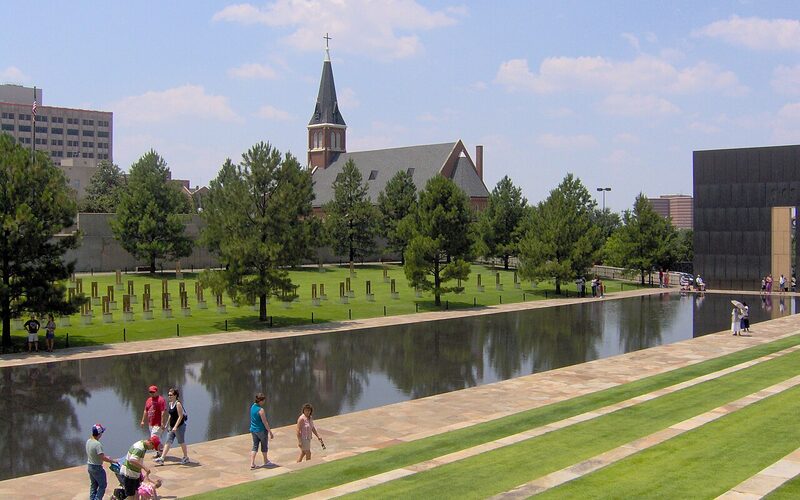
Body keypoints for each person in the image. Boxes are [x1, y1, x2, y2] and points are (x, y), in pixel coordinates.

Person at [155, 388, 189, 465]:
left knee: (181, 442)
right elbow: (170, 415)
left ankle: (186, 457)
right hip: (172, 427)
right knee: (168, 441)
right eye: (168, 395)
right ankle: (162, 458)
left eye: (171, 395)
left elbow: (180, 416)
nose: (169, 396)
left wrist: (176, 427)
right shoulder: (170, 404)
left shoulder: (178, 404)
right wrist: (167, 424)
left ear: (175, 395)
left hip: (179, 426)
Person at [119, 435, 159, 500]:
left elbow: (137, 460)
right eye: (153, 447)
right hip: (129, 475)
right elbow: (132, 460)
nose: (152, 449)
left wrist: (140, 472)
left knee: (136, 495)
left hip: (134, 475)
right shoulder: (140, 448)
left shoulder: (143, 446)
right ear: (150, 443)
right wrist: (145, 468)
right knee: (131, 496)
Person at [86, 423, 117, 500]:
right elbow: (102, 457)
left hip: (89, 466)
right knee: (102, 486)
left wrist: (106, 457)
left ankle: (92, 498)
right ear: (99, 434)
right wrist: (112, 461)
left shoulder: (88, 441)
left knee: (93, 485)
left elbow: (96, 455)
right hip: (97, 468)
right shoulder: (97, 444)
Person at [249, 392, 275, 469]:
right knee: (264, 446)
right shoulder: (261, 410)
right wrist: (270, 432)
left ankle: (252, 463)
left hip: (253, 430)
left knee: (255, 446)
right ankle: (266, 461)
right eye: (263, 400)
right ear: (260, 401)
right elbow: (265, 422)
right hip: (261, 430)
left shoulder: (252, 407)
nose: (264, 402)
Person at [140, 385, 167, 458]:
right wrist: (142, 421)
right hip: (150, 423)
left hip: (158, 424)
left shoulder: (161, 400)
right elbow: (146, 410)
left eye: (153, 392)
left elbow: (163, 412)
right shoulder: (148, 400)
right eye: (150, 392)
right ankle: (159, 452)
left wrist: (162, 423)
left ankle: (161, 453)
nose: (151, 393)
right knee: (157, 438)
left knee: (154, 438)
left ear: (156, 391)